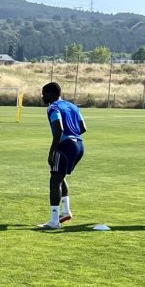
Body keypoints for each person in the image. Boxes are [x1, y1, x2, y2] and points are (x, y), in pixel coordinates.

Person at [39, 82, 86, 230]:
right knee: (60, 176)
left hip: (65, 147)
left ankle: (54, 221)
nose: (42, 97)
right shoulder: (72, 106)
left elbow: (59, 129)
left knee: (54, 182)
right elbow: (83, 128)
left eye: (44, 94)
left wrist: (52, 151)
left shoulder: (53, 107)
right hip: (79, 145)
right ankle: (66, 211)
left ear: (52, 94)